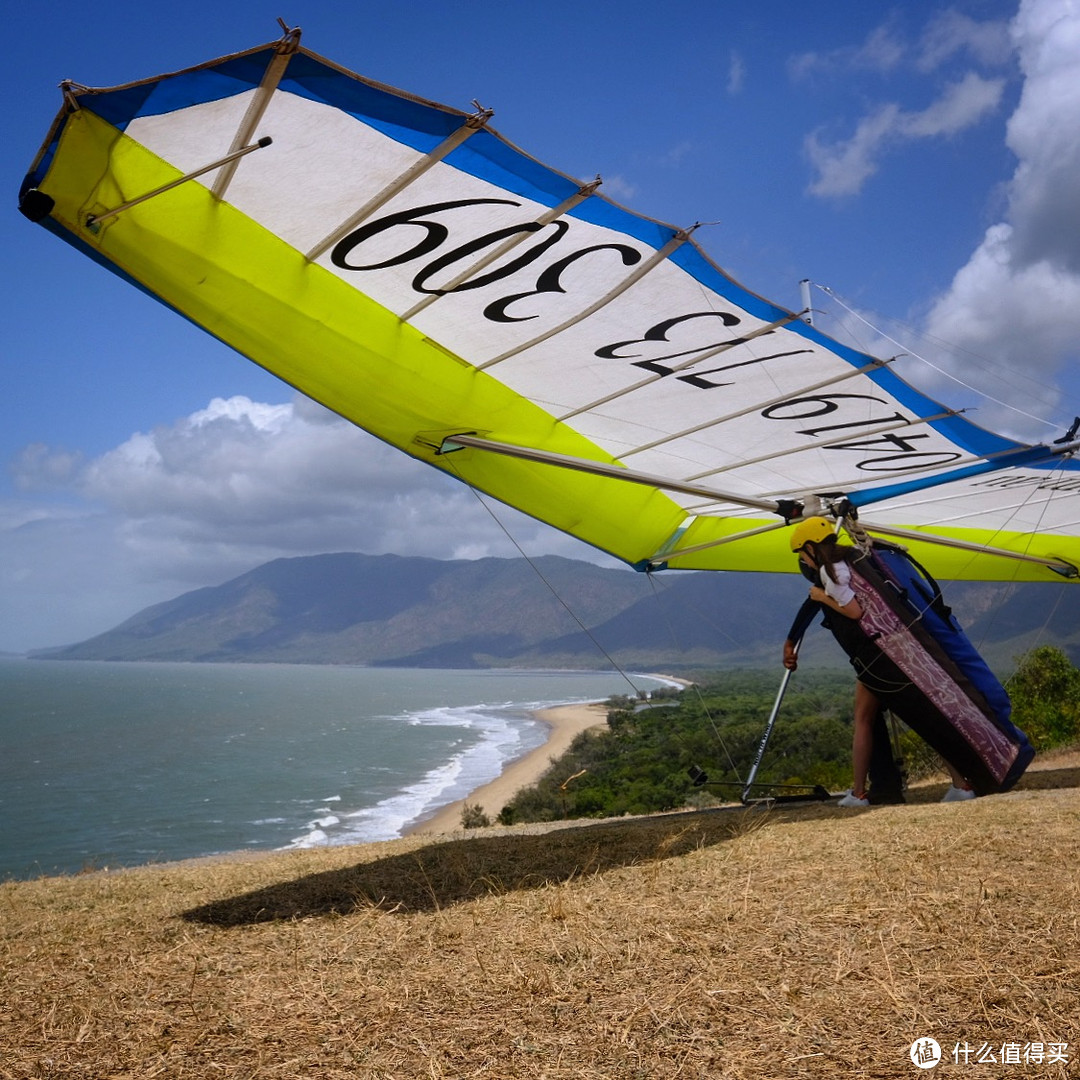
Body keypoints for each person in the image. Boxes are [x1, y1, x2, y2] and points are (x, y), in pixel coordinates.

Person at [783, 517, 974, 807]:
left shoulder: (830, 572)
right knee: (923, 718)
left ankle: (859, 793)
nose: (802, 561)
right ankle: (962, 784)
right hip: (896, 651)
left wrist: (822, 596)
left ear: (810, 547)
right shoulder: (852, 559)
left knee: (865, 720)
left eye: (801, 553)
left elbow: (855, 612)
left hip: (878, 659)